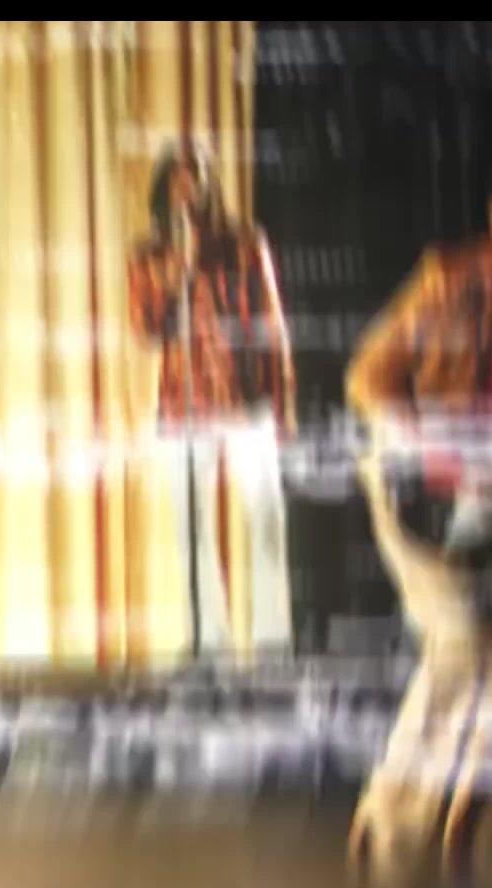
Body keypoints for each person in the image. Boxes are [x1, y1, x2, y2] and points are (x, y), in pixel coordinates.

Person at [345, 168, 492, 888]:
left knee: (488, 670)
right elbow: (369, 378)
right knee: (465, 652)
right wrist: (436, 446)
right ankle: (395, 831)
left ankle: (459, 830)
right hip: (422, 498)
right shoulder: (452, 282)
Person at [127, 138, 296, 659]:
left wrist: (284, 400)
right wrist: (175, 274)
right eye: (177, 179)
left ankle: (272, 640)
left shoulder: (245, 244)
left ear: (210, 184)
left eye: (195, 176)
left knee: (265, 517)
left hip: (246, 397)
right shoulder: (149, 254)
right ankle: (209, 639)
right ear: (164, 191)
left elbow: (272, 324)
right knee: (190, 524)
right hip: (184, 402)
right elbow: (147, 328)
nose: (187, 188)